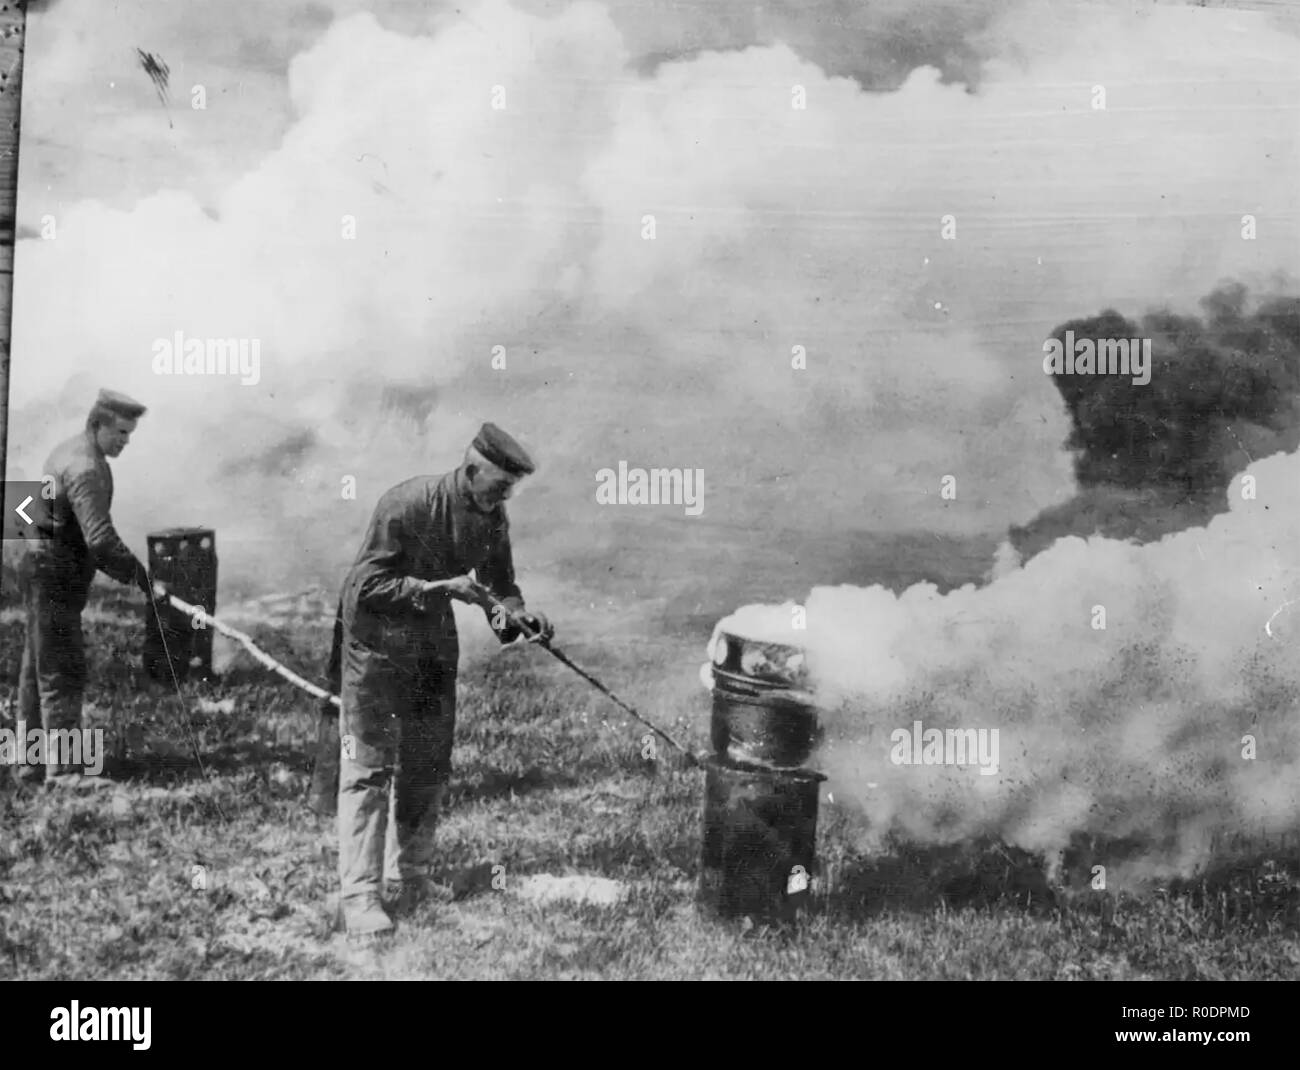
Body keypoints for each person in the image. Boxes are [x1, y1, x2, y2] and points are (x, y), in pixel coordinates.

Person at [336, 422, 552, 940]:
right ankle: (360, 894)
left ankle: (410, 876)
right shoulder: (406, 504)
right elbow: (365, 584)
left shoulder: (492, 517)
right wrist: (439, 587)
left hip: (431, 647)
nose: (506, 497)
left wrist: (519, 621)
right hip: (378, 649)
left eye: (510, 490)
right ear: (472, 470)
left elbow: (501, 588)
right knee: (368, 770)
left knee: (427, 763)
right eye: (500, 486)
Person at [14, 390, 152, 789]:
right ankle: (65, 772)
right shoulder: (87, 467)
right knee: (63, 669)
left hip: (38, 566)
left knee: (35, 667)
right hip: (53, 574)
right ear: (97, 425)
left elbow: (24, 514)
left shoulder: (65, 451)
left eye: (129, 434)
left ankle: (29, 764)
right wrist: (139, 575)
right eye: (121, 433)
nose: (125, 441)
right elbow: (102, 540)